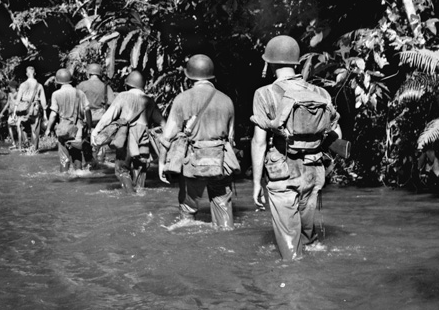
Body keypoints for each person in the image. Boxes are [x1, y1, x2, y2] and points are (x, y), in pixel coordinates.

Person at [250, 35, 341, 260]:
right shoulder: (321, 94)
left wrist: (256, 184)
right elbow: (337, 133)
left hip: (284, 173)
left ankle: (293, 286)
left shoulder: (264, 94)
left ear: (269, 63)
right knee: (308, 238)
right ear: (296, 62)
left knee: (289, 246)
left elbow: (259, 142)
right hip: (314, 172)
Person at [159, 55, 236, 229]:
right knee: (223, 211)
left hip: (192, 164)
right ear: (212, 75)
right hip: (220, 163)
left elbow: (168, 136)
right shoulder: (227, 100)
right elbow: (231, 138)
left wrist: (162, 163)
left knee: (188, 212)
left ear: (189, 76)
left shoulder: (182, 99)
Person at [92, 70, 165, 193]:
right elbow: (162, 123)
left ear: (128, 85)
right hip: (143, 141)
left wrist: (96, 131)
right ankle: (139, 196)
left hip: (126, 139)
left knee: (122, 170)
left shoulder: (123, 96)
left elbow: (108, 116)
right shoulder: (150, 100)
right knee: (140, 171)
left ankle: (130, 195)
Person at [45, 68, 91, 172]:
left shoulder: (56, 94)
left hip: (63, 129)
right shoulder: (80, 93)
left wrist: (48, 129)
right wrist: (88, 127)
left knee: (64, 159)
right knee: (77, 157)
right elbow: (87, 110)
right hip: (77, 130)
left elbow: (53, 114)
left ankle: (64, 180)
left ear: (58, 82)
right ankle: (79, 178)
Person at [77, 63, 115, 167]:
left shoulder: (82, 85)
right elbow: (112, 103)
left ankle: (89, 162)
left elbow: (77, 102)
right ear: (99, 74)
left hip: (86, 118)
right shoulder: (106, 86)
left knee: (85, 141)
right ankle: (100, 164)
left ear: (88, 73)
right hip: (101, 119)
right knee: (100, 143)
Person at [15, 66, 47, 152]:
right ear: (35, 73)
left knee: (23, 126)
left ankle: (25, 144)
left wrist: (14, 112)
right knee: (35, 128)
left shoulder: (22, 85)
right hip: (35, 109)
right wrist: (45, 115)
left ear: (27, 74)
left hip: (24, 109)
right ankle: (34, 149)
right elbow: (43, 102)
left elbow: (17, 100)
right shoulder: (39, 86)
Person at [0, 79, 19, 147]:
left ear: (13, 87)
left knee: (18, 127)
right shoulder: (9, 94)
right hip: (11, 113)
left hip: (17, 113)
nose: (9, 88)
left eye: (10, 87)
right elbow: (7, 104)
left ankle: (20, 142)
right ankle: (13, 143)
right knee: (9, 126)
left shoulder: (18, 94)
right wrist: (1, 112)